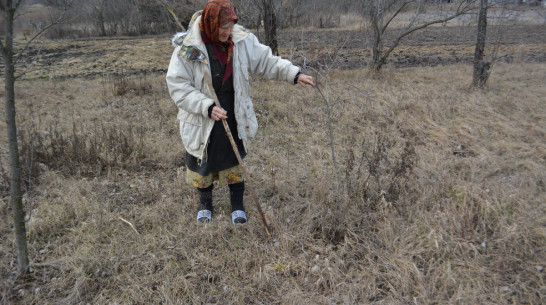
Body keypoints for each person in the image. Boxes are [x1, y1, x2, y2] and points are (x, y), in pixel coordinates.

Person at [166, 0, 314, 225]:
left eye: (231, 25)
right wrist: (205, 107)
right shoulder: (188, 48)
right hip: (202, 113)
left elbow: (266, 61)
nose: (227, 31)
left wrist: (293, 74)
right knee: (202, 161)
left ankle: (237, 205)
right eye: (222, 26)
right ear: (211, 23)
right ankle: (205, 205)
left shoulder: (241, 40)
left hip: (233, 108)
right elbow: (178, 86)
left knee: (235, 158)